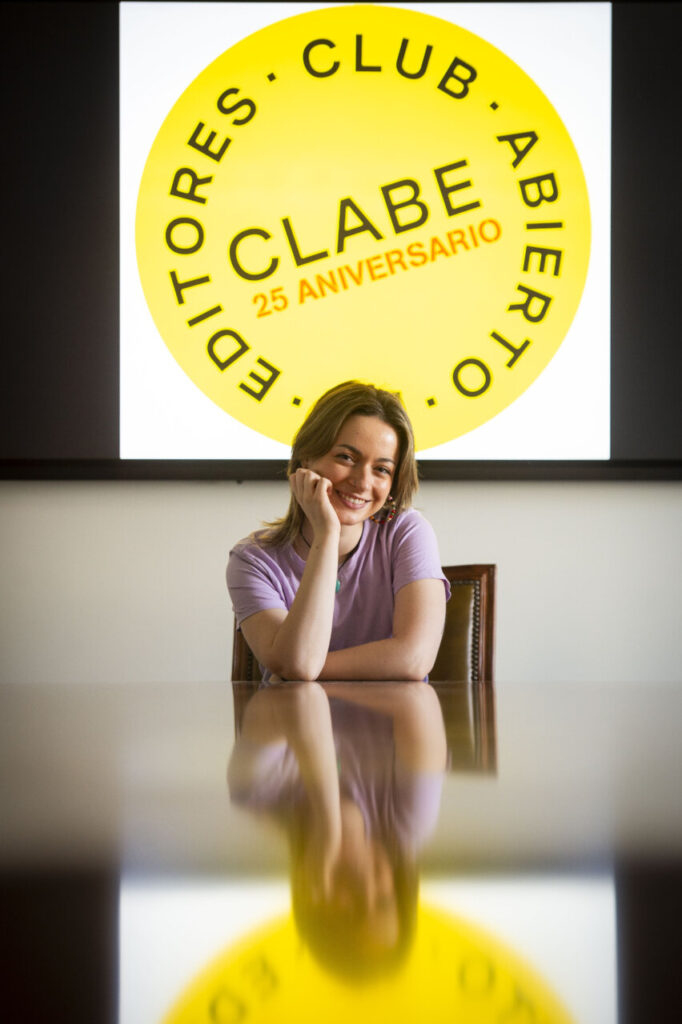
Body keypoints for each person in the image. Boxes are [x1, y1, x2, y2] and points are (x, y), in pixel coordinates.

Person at [226, 381, 449, 682]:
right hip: (297, 725)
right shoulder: (253, 560)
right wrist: (327, 533)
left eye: (381, 469)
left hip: (393, 724)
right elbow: (300, 665)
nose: (362, 481)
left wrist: (301, 670)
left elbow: (414, 659)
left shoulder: (407, 532)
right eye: (346, 457)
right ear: (306, 456)